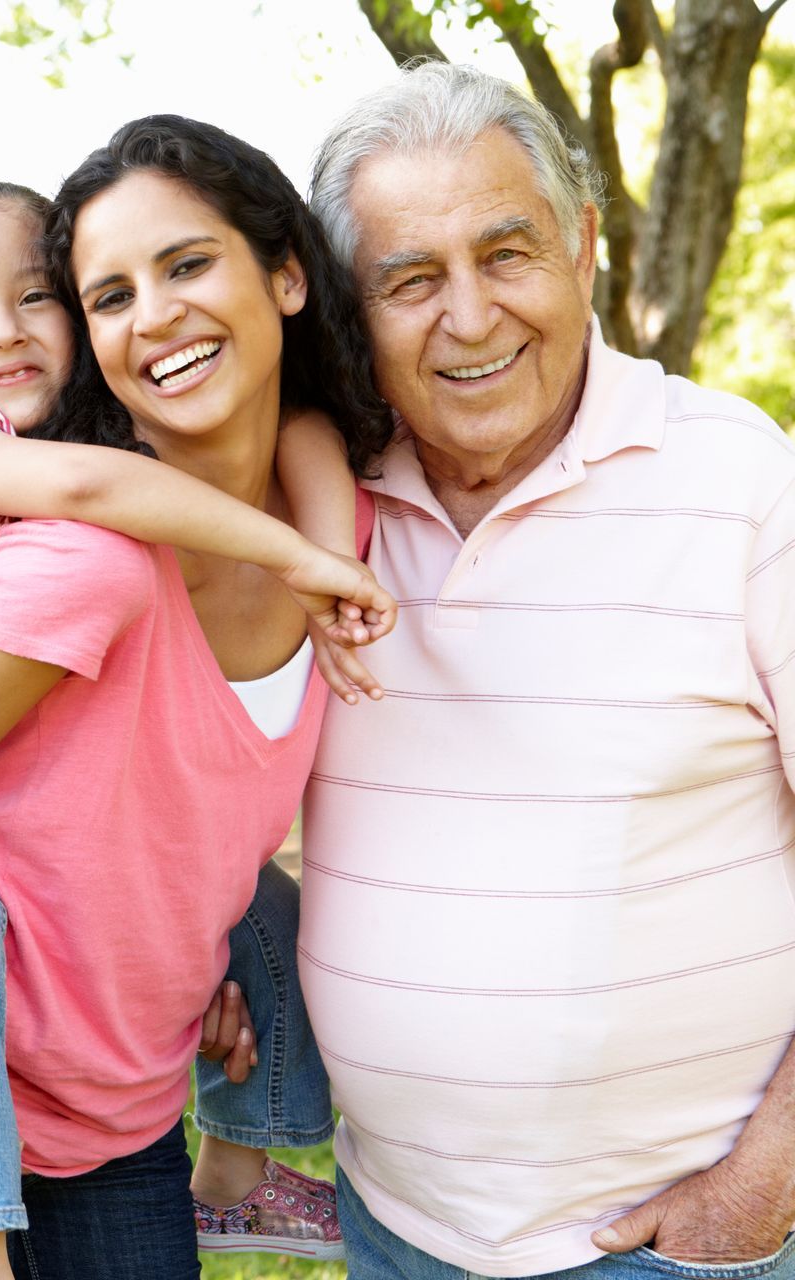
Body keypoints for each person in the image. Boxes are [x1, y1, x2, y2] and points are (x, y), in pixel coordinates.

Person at [0, 114, 394, 1280]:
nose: (155, 314)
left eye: (190, 264)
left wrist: (177, 947)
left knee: (265, 906)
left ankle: (246, 1162)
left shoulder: (349, 515)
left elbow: (308, 430)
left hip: (128, 1117)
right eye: (112, 292)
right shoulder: (79, 552)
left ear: (289, 274)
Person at [297, 60, 795, 1280]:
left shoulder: (742, 479)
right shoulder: (314, 514)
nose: (468, 318)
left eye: (506, 254)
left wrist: (769, 1176)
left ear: (581, 247)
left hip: (676, 1242)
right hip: (396, 1227)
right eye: (409, 280)